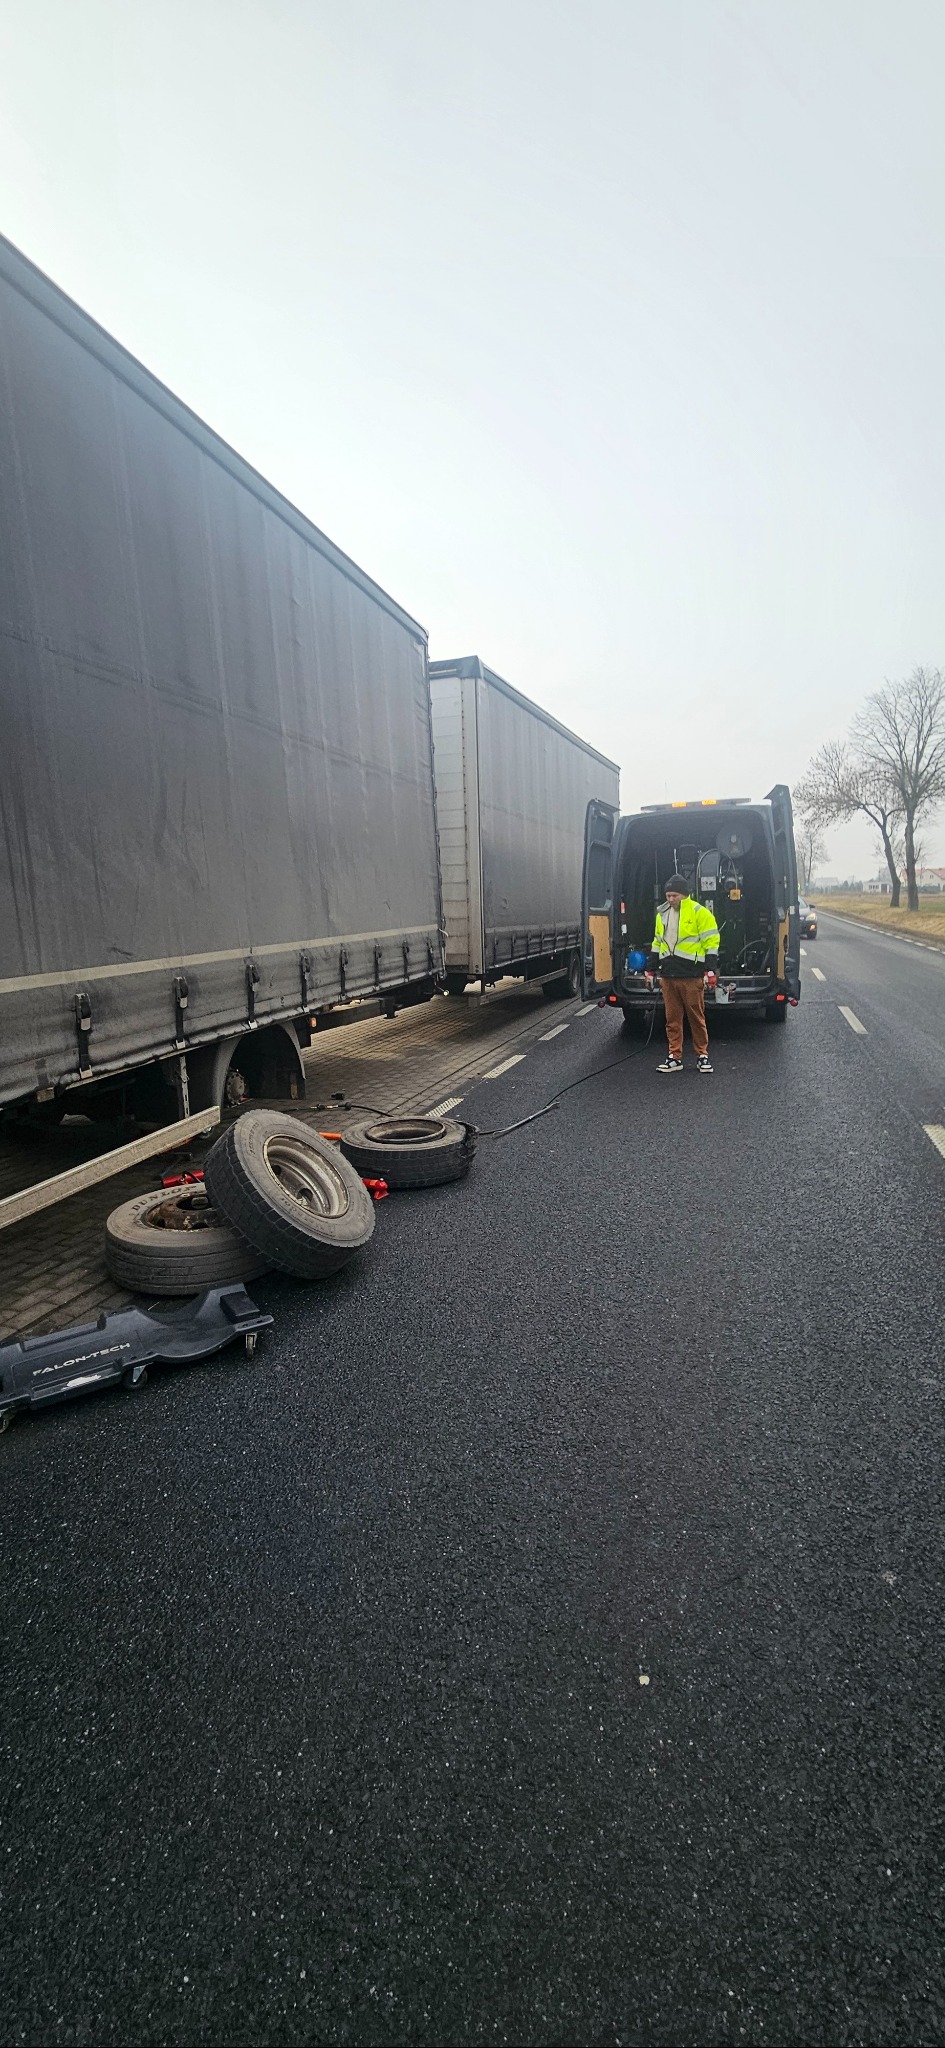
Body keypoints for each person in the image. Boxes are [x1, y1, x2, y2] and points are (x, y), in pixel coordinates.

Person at [646, 873, 720, 1074]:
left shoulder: (700, 913)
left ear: (685, 895)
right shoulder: (662, 914)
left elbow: (711, 943)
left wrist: (711, 971)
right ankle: (674, 1057)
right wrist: (651, 970)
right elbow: (657, 943)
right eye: (668, 895)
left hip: (691, 975)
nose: (670, 899)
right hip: (668, 975)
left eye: (674, 896)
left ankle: (702, 1055)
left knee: (696, 1017)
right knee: (672, 1019)